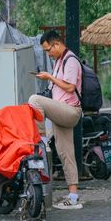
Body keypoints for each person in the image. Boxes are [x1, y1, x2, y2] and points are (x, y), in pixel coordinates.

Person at [28, 29, 83, 211]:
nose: (48, 54)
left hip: (70, 110)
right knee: (66, 152)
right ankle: (73, 196)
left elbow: (69, 87)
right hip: (61, 109)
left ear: (57, 44)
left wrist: (49, 76)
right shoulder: (59, 61)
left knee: (34, 100)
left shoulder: (71, 60)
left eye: (48, 50)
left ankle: (41, 140)